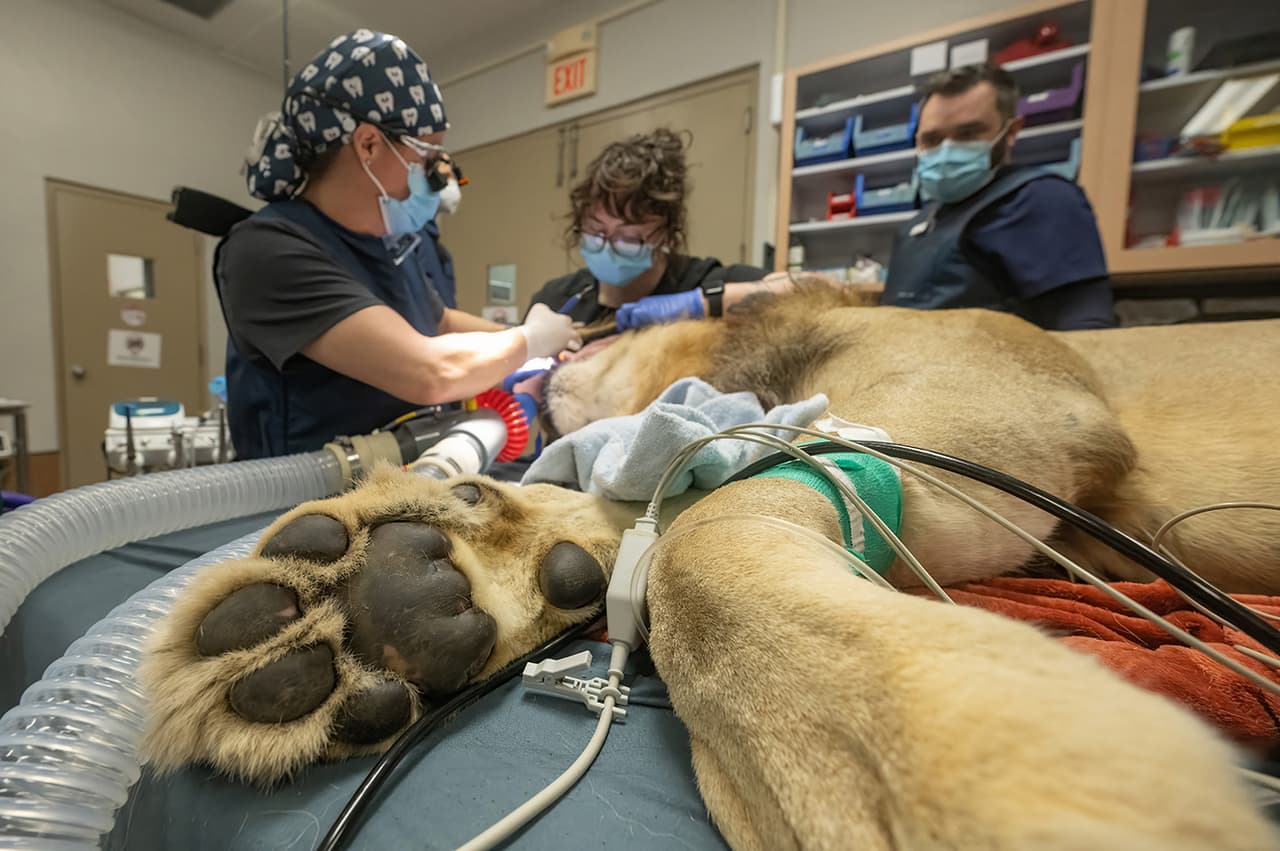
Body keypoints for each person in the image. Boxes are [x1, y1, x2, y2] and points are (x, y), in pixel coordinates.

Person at [216, 31, 579, 459]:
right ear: (369, 143)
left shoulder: (389, 242)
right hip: (307, 504)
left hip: (403, 483)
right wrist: (527, 340)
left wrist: (537, 341)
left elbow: (438, 322)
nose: (434, 177)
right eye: (427, 158)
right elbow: (431, 371)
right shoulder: (269, 250)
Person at [883, 62, 1116, 330]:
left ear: (1012, 132)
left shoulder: (1040, 201)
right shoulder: (917, 225)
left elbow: (1084, 328)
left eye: (968, 133)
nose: (946, 150)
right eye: (932, 139)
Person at [528, 128, 783, 331]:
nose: (608, 247)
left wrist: (699, 305)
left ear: (667, 235)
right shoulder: (557, 299)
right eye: (596, 232)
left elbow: (815, 289)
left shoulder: (699, 282)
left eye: (629, 239)